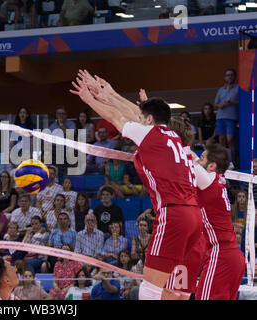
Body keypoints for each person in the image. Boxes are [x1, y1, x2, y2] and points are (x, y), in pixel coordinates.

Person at [71, 70, 202, 300]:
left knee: (149, 289)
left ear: (149, 120)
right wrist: (109, 93)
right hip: (194, 219)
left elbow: (119, 118)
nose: (138, 121)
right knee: (176, 291)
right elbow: (135, 114)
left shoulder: (153, 135)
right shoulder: (175, 140)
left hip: (174, 215)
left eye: (143, 119)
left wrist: (90, 99)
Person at [191, 143, 246, 300]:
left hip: (221, 254)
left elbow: (187, 161)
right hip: (233, 257)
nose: (199, 158)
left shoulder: (208, 181)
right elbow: (193, 159)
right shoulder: (217, 180)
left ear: (212, 165)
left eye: (203, 157)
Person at [214, 68, 239, 163]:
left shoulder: (238, 88)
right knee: (221, 140)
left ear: (234, 77)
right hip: (220, 116)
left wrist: (232, 102)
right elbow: (215, 103)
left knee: (230, 139)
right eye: (227, 75)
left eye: (231, 75)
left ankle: (232, 160)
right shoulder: (221, 89)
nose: (229, 77)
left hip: (231, 117)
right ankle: (223, 162)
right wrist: (220, 105)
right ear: (225, 77)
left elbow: (242, 101)